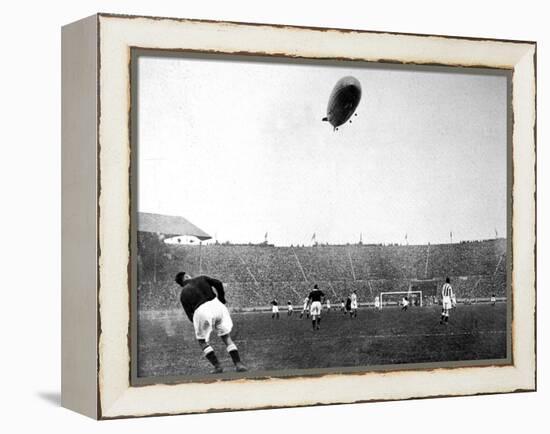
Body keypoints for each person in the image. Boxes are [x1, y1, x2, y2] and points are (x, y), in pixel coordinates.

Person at [175, 271, 246, 374]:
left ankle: (218, 367)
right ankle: (238, 364)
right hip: (217, 306)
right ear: (186, 276)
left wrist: (199, 326)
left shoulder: (183, 294)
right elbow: (218, 283)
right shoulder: (201, 278)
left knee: (202, 341)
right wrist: (221, 298)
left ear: (181, 283)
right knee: (226, 337)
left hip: (201, 311)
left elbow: (190, 315)